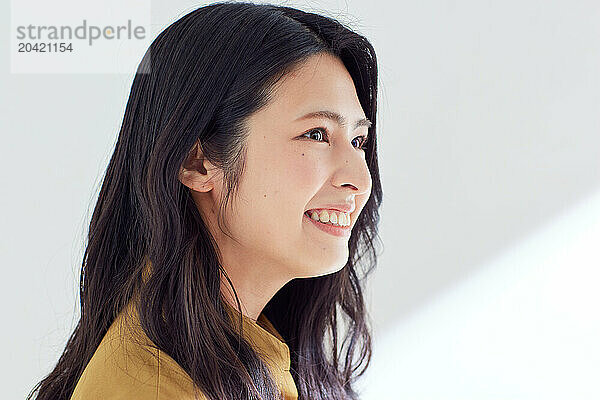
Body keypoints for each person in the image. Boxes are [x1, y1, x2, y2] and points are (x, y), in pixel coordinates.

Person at [27, 2, 382, 399]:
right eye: (316, 134)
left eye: (358, 141)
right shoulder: (155, 388)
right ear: (197, 161)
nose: (359, 179)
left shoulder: (259, 350)